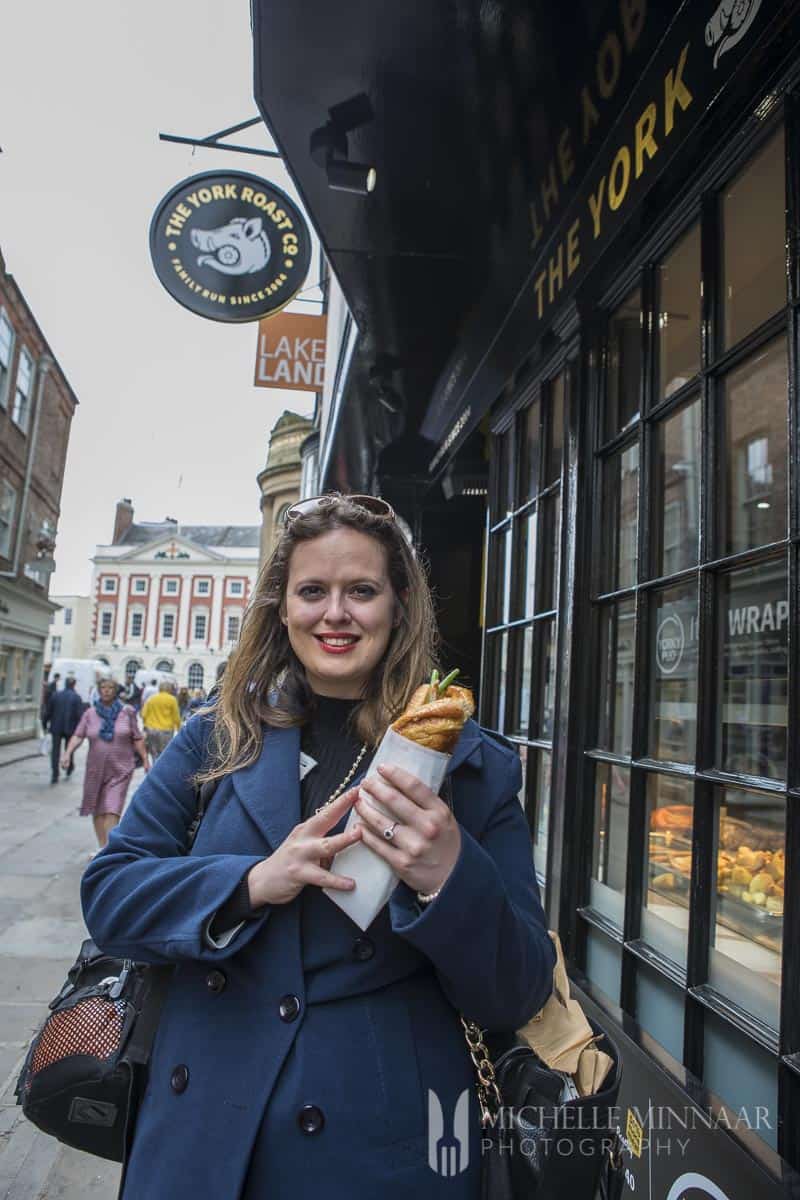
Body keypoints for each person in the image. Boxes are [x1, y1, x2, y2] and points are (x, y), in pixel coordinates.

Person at [81, 493, 555, 1200]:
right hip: (201, 1137)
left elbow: (517, 989)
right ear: (282, 608)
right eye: (312, 591)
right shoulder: (215, 738)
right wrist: (249, 882)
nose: (336, 614)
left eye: (361, 590)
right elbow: (110, 896)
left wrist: (451, 874)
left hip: (382, 1155)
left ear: (399, 604)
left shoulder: (474, 765)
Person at [62, 676, 148, 850]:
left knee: (112, 807)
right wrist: (67, 753)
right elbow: (79, 735)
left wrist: (145, 759)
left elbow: (137, 737)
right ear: (99, 690)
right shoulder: (90, 713)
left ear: (115, 691)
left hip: (121, 768)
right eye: (103, 687)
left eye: (110, 687)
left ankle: (110, 848)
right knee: (97, 806)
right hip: (95, 768)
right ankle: (102, 847)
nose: (107, 690)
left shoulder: (127, 712)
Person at [43, 676, 83, 784]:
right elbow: (80, 716)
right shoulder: (77, 697)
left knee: (55, 751)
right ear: (74, 685)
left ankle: (55, 774)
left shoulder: (56, 695)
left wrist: (44, 724)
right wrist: (80, 731)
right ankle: (69, 767)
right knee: (69, 749)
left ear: (65, 684)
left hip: (56, 727)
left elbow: (48, 712)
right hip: (71, 729)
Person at [141, 681, 182, 761]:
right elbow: (176, 716)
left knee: (154, 753)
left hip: (151, 729)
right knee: (164, 753)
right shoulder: (172, 699)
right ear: (170, 689)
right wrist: (179, 728)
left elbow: (143, 714)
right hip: (166, 730)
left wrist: (146, 725)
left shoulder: (151, 699)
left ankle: (154, 768)